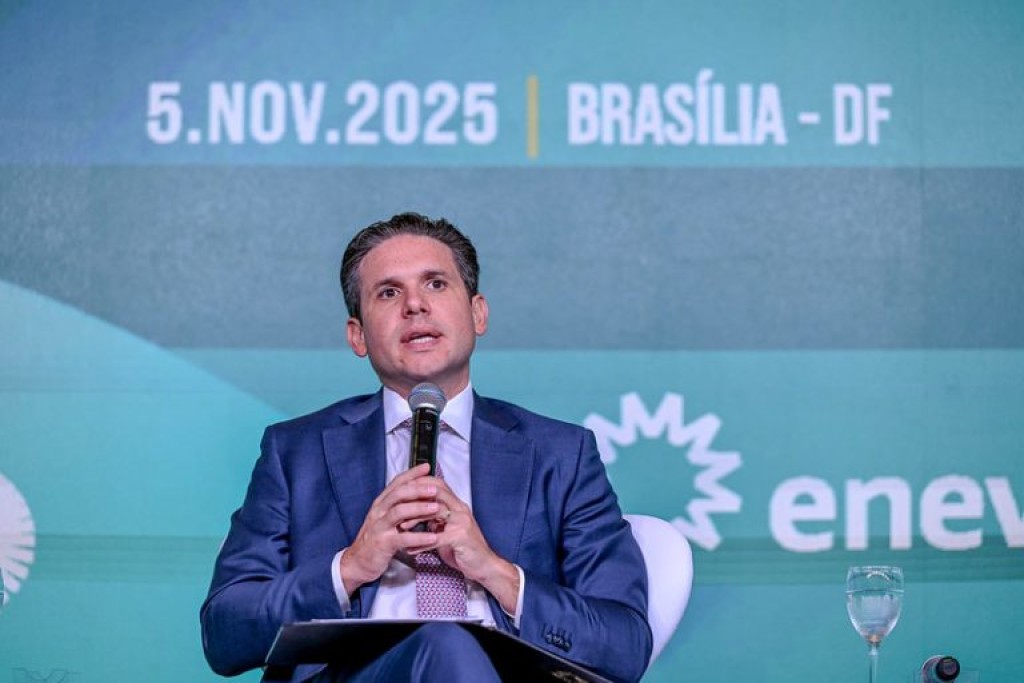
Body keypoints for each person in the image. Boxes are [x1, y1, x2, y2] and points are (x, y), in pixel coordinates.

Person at [200, 212, 651, 682]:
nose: (415, 305)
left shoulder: (561, 454)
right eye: (388, 293)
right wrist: (350, 567)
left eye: (436, 284)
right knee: (443, 639)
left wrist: (494, 570)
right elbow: (224, 632)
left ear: (478, 313)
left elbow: (624, 644)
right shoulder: (296, 452)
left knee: (451, 642)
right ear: (357, 335)